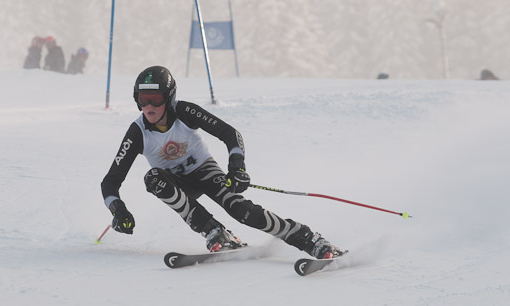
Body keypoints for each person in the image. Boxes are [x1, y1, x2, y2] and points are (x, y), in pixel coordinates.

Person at [100, 66, 344, 259]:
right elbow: (110, 183)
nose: (149, 106)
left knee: (240, 209)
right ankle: (215, 231)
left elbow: (231, 134)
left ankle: (307, 238)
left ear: (169, 97)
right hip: (175, 182)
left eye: (155, 98)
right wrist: (118, 211)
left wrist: (237, 167)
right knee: (153, 178)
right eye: (143, 99)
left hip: (204, 171)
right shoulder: (138, 132)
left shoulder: (185, 112)